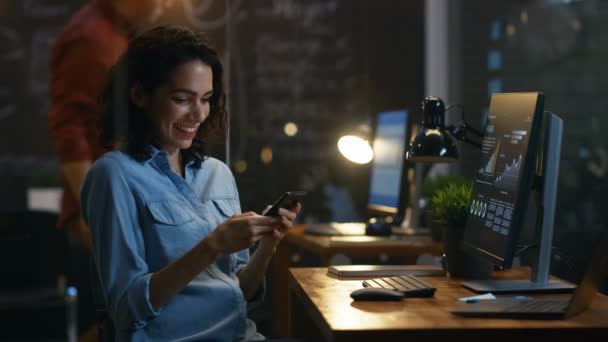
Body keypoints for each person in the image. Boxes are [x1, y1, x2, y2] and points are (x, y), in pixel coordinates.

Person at [81, 25, 302, 341]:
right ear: (139, 95)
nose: (198, 114)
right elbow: (126, 310)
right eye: (182, 99)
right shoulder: (113, 175)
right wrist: (213, 245)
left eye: (207, 99)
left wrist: (268, 245)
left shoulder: (217, 174)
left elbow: (237, 292)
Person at [48, 0, 173, 338]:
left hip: (118, 202)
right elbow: (69, 129)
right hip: (100, 210)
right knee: (111, 324)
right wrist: (96, 211)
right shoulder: (89, 38)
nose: (168, 4)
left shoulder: (119, 34)